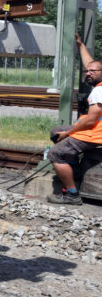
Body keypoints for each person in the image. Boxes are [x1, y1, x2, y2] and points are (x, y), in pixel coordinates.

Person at [48, 56, 102, 205]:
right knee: (55, 132)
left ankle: (72, 194)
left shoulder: (99, 91)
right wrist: (80, 44)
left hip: (94, 134)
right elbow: (92, 63)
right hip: (95, 130)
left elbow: (91, 120)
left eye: (93, 71)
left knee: (55, 153)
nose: (88, 73)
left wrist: (68, 133)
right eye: (87, 71)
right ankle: (74, 172)